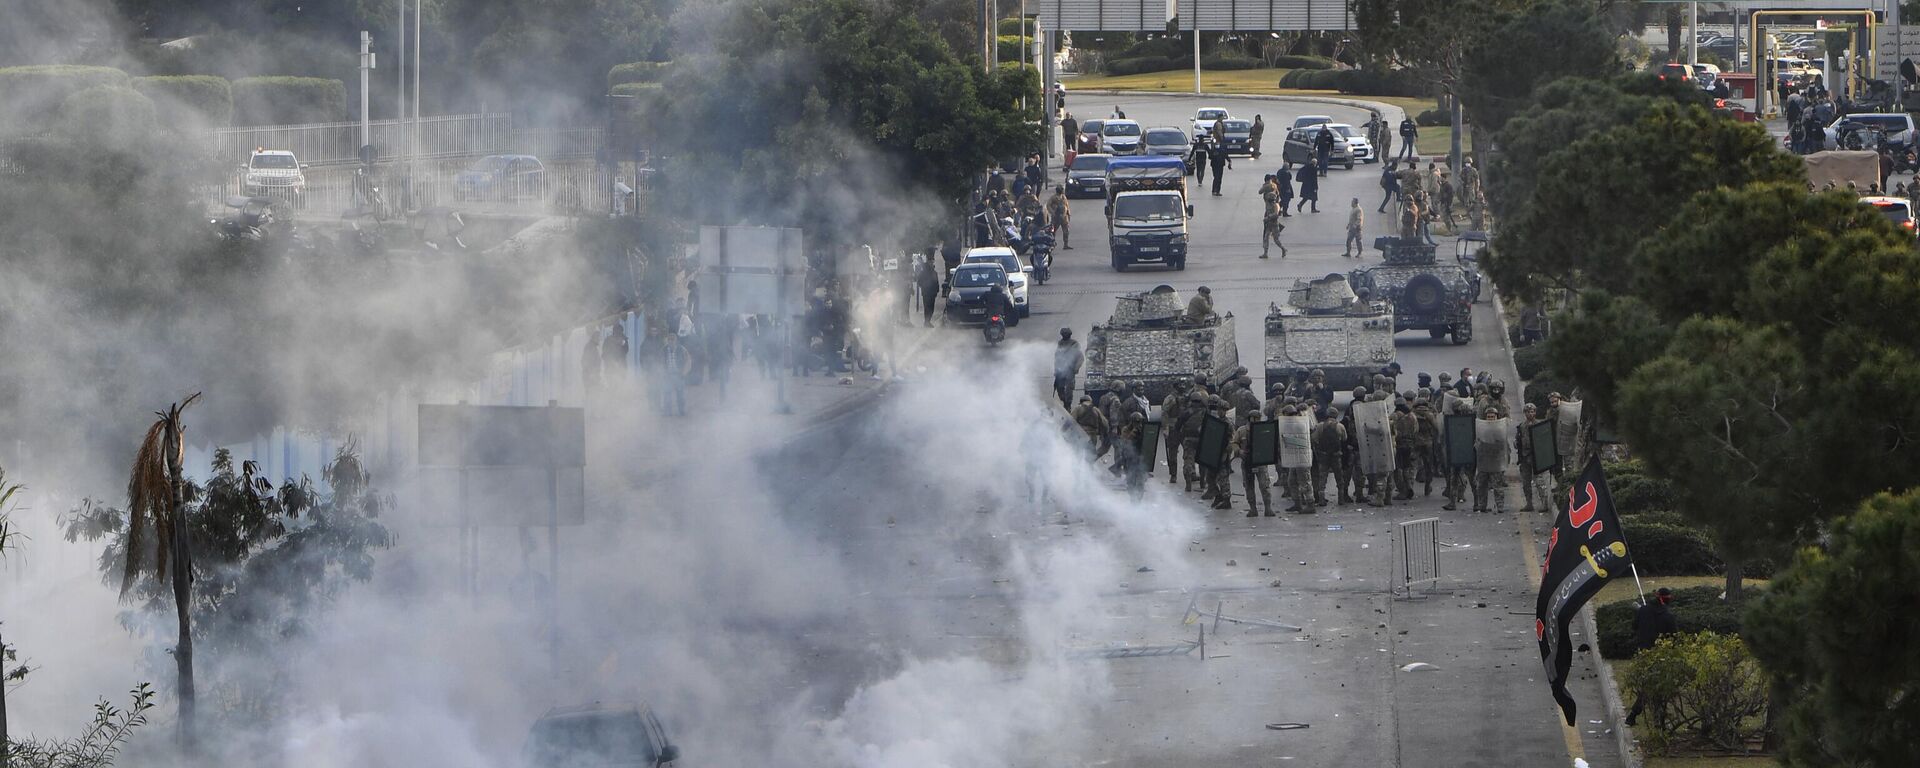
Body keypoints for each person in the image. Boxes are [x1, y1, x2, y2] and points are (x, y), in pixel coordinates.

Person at [1624, 588, 1682, 726]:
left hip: (1643, 654)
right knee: (1655, 688)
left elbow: (1634, 626)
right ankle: (1649, 717)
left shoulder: (1643, 610)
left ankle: (1643, 716)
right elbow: (1675, 637)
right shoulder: (1668, 616)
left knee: (1649, 686)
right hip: (1659, 655)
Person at [1234, 412, 1275, 517]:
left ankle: (1268, 508)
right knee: (1249, 486)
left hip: (1260, 462)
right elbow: (1234, 443)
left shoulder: (1263, 429)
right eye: (1255, 418)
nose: (1257, 420)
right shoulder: (1242, 430)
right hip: (1247, 462)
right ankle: (1253, 508)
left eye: (1258, 418)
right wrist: (1239, 451)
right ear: (1250, 418)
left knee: (1264, 485)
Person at [1160, 383, 1189, 484]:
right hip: (1174, 428)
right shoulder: (1170, 399)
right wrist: (1165, 428)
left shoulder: (1187, 397)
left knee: (1189, 451)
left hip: (1184, 427)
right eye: (1180, 385)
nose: (1183, 387)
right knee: (1172, 452)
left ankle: (1190, 472)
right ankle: (1173, 474)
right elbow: (1164, 413)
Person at [659, 330, 690, 416]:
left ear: (676, 340)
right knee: (667, 394)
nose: (671, 341)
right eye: (669, 339)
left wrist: (684, 373)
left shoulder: (682, 349)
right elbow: (660, 362)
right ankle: (667, 412)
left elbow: (688, 361)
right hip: (667, 375)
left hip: (679, 375)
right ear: (667, 340)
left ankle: (681, 411)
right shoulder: (663, 350)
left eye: (672, 339)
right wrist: (662, 373)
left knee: (680, 395)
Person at [1053, 328, 1083, 407]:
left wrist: (1076, 368)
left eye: (1066, 334)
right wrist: (1056, 370)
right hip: (1060, 370)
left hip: (1070, 370)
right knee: (1059, 388)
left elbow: (1080, 358)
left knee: (1069, 388)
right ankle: (1064, 401)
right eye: (1063, 334)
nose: (1064, 335)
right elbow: (1057, 357)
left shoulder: (1074, 344)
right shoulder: (1060, 343)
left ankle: (1068, 404)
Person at [1261, 176, 1288, 259]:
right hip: (1269, 224)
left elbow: (1276, 214)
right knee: (1266, 238)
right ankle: (1265, 253)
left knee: (1276, 240)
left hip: (1274, 224)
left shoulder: (1276, 205)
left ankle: (1283, 249)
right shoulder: (1268, 204)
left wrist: (1268, 217)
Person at [915, 253, 941, 327]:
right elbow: (919, 281)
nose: (932, 263)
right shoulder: (923, 272)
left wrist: (937, 290)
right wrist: (924, 286)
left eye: (932, 262)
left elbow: (936, 282)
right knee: (927, 307)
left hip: (932, 293)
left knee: (931, 308)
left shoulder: (934, 272)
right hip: (926, 293)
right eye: (931, 262)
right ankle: (926, 321)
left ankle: (928, 321)